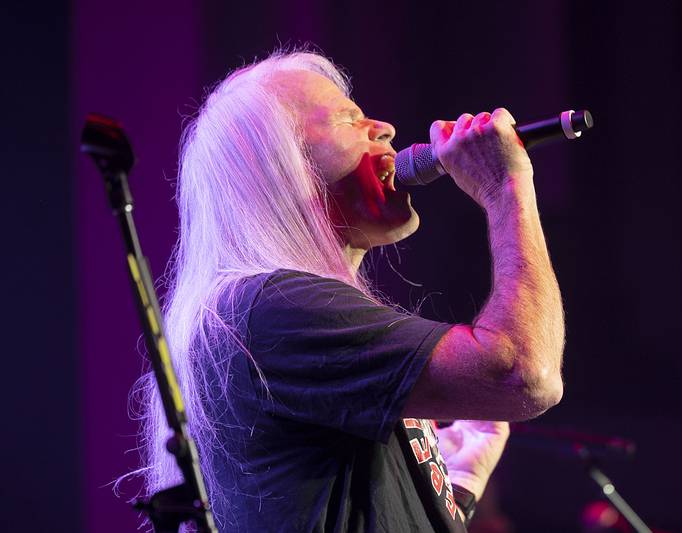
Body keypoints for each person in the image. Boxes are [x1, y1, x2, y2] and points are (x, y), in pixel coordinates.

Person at [137, 49, 565, 532]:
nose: (384, 128)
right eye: (349, 119)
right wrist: (505, 186)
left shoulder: (280, 314)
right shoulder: (273, 308)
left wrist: (453, 488)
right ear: (282, 167)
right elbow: (527, 373)